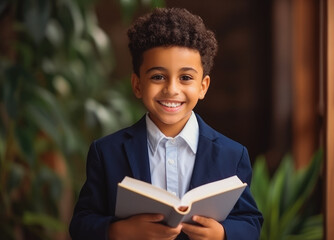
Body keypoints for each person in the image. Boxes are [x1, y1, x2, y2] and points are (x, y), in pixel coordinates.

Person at [69, 7, 263, 240]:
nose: (172, 89)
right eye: (158, 76)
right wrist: (121, 230)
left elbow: (250, 223)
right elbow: (81, 224)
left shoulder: (232, 155)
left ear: (203, 86)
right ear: (137, 84)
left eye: (186, 78)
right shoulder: (107, 152)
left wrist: (222, 234)